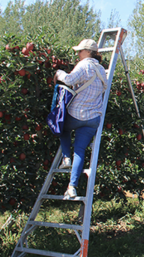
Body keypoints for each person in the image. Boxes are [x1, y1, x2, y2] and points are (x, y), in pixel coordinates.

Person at [53, 39, 107, 198]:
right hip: (93, 118)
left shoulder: (84, 65)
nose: (78, 54)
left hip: (77, 113)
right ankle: (72, 186)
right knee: (80, 150)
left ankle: (66, 157)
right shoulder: (102, 69)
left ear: (88, 52)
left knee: (61, 127)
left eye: (80, 51)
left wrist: (59, 73)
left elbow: (69, 80)